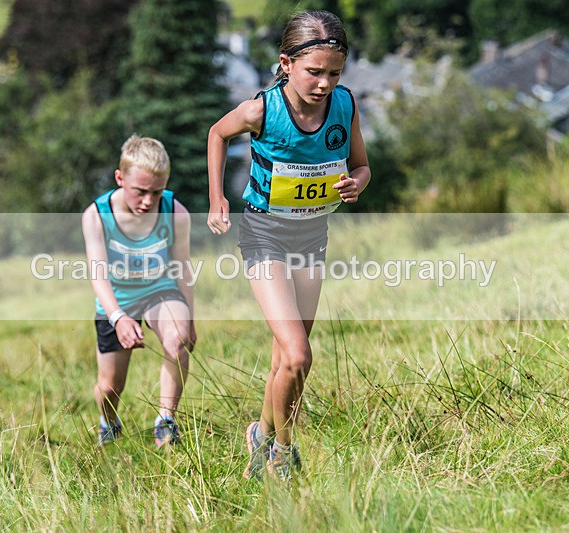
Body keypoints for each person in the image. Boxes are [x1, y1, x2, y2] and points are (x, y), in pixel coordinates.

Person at [207, 10, 371, 480]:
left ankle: (259, 435)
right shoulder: (262, 109)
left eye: (334, 73)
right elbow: (218, 133)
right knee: (299, 354)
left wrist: (355, 184)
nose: (324, 83)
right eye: (314, 72)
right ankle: (282, 451)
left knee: (287, 356)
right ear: (285, 64)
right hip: (263, 234)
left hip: (311, 235)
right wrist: (218, 199)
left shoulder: (344, 106)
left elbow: (361, 165)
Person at [82, 135, 196, 448]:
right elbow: (98, 274)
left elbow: (183, 269)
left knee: (178, 340)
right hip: (116, 300)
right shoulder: (96, 216)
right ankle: (109, 421)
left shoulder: (176, 212)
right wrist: (118, 317)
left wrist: (191, 321)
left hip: (161, 290)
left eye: (156, 192)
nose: (148, 201)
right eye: (140, 191)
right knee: (108, 387)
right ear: (120, 179)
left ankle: (166, 422)